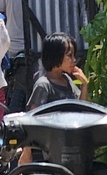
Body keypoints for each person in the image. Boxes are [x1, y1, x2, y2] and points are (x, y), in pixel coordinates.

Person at [18, 32, 88, 165]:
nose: (74, 60)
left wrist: (84, 85)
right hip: (55, 153)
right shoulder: (44, 85)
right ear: (55, 56)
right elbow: (31, 120)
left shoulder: (67, 80)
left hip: (72, 145)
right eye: (69, 56)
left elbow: (81, 111)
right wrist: (26, 153)